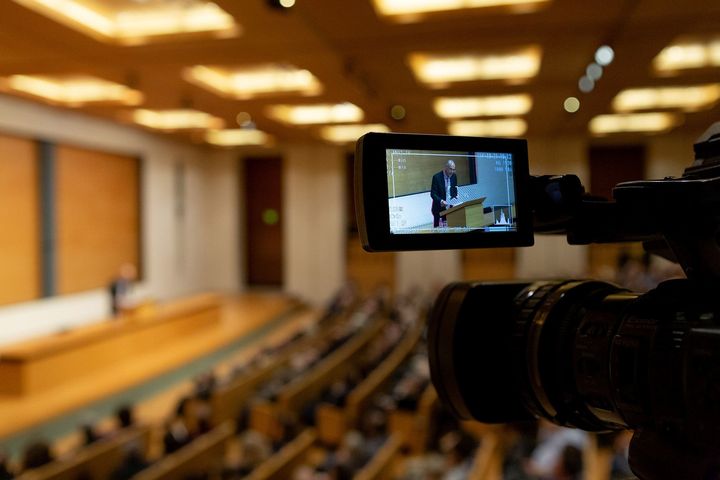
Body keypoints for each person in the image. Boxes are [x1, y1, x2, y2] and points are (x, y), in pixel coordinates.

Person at [430, 160, 458, 228]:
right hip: (438, 209)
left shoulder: (454, 176)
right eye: (450, 169)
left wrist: (456, 200)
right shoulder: (436, 177)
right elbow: (433, 194)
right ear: (446, 167)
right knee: (438, 229)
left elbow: (454, 190)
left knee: (449, 228)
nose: (452, 171)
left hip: (449, 209)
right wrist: (441, 201)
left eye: (453, 169)